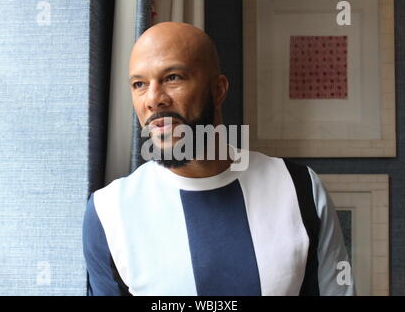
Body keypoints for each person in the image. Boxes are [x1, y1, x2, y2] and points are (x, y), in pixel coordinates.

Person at [83, 22, 355, 296]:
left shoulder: (301, 189)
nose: (153, 100)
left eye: (172, 77)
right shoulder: (108, 212)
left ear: (218, 90)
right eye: (139, 84)